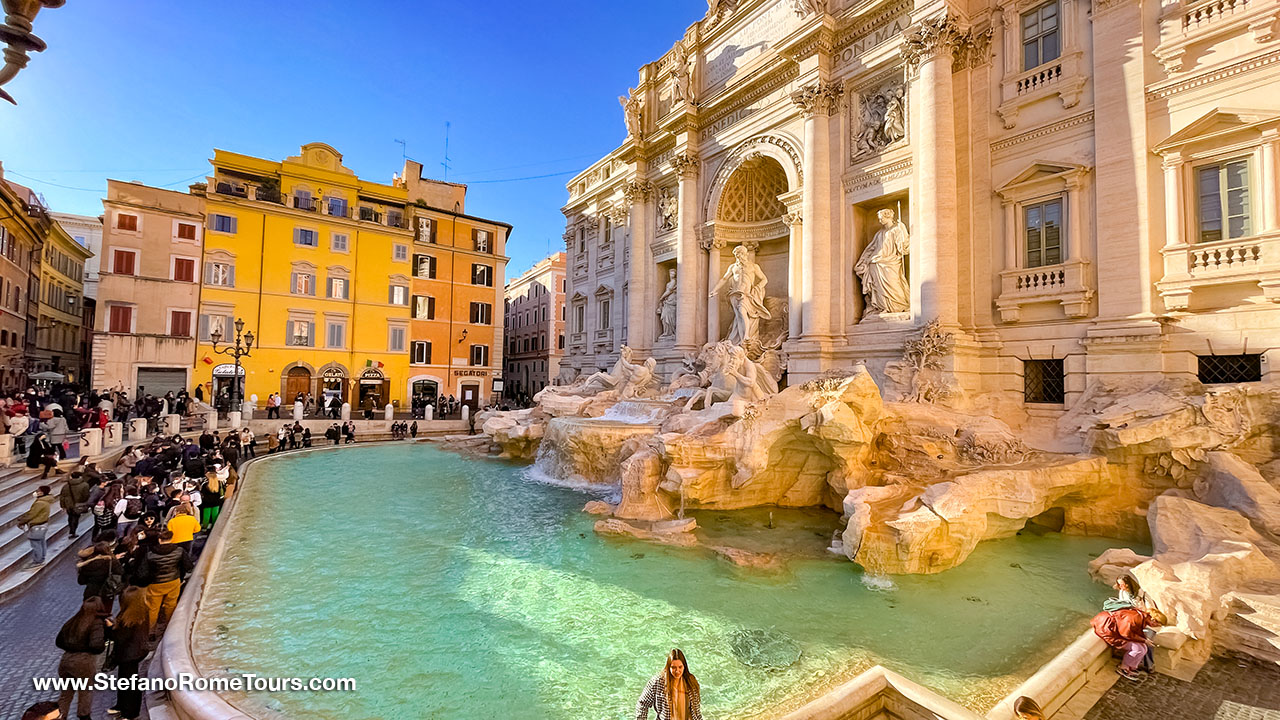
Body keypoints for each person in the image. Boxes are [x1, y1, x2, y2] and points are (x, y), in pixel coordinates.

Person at [54, 596, 111, 720]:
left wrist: (73, 647)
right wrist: (108, 630)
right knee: (85, 691)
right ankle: (84, 717)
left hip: (66, 660)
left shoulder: (73, 620)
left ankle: (59, 717)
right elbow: (97, 646)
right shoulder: (96, 623)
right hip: (83, 662)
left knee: (66, 694)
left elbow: (59, 641)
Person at [110, 586, 152, 720]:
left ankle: (130, 712)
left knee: (129, 682)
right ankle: (122, 706)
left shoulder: (128, 619)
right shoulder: (140, 612)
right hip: (135, 652)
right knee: (126, 680)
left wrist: (110, 628)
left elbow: (119, 637)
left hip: (128, 654)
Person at [1092, 603, 1160, 681]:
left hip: (1114, 630)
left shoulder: (1141, 616)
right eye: (1158, 624)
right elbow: (1125, 633)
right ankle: (1123, 668)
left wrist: (1143, 640)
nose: (1157, 626)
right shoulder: (1136, 618)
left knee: (1143, 648)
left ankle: (1131, 667)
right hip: (1109, 631)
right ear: (1153, 620)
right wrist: (1143, 640)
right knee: (1138, 649)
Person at [143, 530, 193, 630]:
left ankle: (151, 631)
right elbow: (188, 566)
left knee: (153, 608)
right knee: (171, 606)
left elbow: (143, 571)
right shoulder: (179, 551)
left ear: (159, 540)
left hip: (155, 583)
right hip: (173, 581)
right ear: (171, 539)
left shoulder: (150, 554)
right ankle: (169, 628)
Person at [635, 648, 703, 720]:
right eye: (673, 667)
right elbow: (642, 703)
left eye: (680, 667)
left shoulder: (691, 682)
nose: (677, 671)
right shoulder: (658, 682)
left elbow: (697, 712)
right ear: (668, 667)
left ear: (684, 667)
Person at [17, 485, 57, 567]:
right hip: (43, 524)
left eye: (37, 490)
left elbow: (32, 514)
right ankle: (41, 558)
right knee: (41, 542)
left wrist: (22, 521)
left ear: (41, 492)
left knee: (36, 544)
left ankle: (38, 561)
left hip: (37, 525)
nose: (36, 492)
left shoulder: (40, 503)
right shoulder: (45, 501)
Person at [76, 541, 123, 610]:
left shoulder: (87, 563)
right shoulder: (112, 562)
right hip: (106, 593)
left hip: (90, 593)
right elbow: (121, 572)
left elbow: (81, 581)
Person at [59, 471, 91, 537]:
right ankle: (73, 531)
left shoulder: (66, 486)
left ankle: (71, 529)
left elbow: (62, 496)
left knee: (70, 517)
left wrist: (63, 506)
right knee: (75, 518)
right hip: (78, 504)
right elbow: (86, 496)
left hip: (69, 505)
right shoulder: (85, 485)